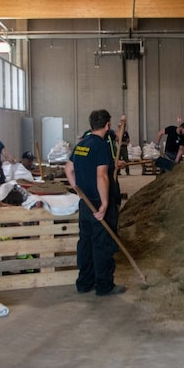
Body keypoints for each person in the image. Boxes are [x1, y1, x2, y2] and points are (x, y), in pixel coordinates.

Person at [65, 109, 125, 296]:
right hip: (99, 203)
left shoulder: (81, 144)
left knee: (86, 243)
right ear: (107, 125)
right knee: (102, 244)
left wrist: (78, 190)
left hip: (85, 203)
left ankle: (84, 283)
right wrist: (105, 205)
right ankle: (104, 286)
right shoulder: (100, 146)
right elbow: (102, 176)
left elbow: (68, 169)